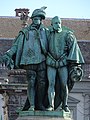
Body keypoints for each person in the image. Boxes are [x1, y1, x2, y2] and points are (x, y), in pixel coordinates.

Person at [0, 7, 48, 111]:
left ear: (41, 20)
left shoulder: (46, 32)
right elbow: (16, 46)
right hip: (29, 61)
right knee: (31, 83)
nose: (35, 21)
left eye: (37, 19)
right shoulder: (25, 32)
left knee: (42, 83)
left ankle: (39, 103)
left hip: (42, 61)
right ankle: (32, 105)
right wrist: (8, 54)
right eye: (34, 19)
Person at [46, 16, 85, 112]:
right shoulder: (47, 34)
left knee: (64, 84)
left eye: (59, 23)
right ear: (52, 24)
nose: (58, 25)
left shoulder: (67, 34)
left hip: (63, 63)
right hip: (50, 62)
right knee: (51, 84)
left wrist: (76, 64)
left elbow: (73, 48)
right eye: (55, 23)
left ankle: (65, 104)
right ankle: (51, 105)